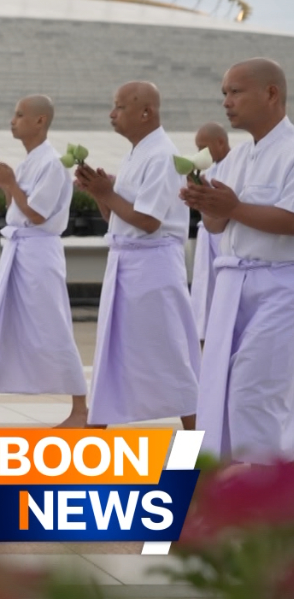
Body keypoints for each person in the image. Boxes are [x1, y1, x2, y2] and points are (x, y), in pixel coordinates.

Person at [0, 95, 88, 427]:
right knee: (2, 325)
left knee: (53, 326)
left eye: (20, 115)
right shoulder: (30, 161)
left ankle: (80, 409)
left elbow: (37, 215)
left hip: (39, 254)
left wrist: (9, 183)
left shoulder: (52, 163)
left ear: (40, 121)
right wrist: (5, 184)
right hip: (21, 251)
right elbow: (18, 208)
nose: (13, 120)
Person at [186, 59, 294, 463]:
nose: (227, 102)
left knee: (256, 388)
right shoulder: (235, 159)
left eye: (236, 92)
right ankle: (234, 483)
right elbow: (218, 227)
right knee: (220, 388)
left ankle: (265, 497)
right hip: (234, 288)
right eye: (224, 94)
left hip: (281, 286)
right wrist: (206, 204)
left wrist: (232, 205)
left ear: (271, 94)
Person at [79, 81, 199, 429]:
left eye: (120, 107)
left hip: (152, 266)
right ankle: (95, 429)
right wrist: (99, 193)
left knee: (167, 352)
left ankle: (197, 440)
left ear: (146, 112)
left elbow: (148, 221)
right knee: (112, 351)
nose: (112, 114)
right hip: (127, 262)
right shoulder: (137, 152)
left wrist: (107, 192)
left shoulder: (162, 155)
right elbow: (116, 217)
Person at [189, 122, 232, 340]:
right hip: (207, 235)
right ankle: (203, 332)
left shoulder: (237, 164)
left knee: (222, 288)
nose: (200, 154)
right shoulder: (210, 169)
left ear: (221, 142)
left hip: (225, 237)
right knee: (204, 284)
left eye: (203, 147)